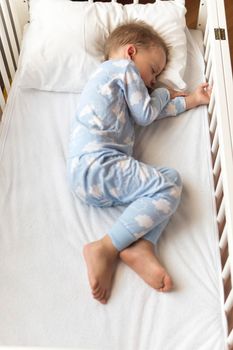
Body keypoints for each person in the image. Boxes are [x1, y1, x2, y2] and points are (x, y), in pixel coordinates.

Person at [67, 21, 211, 304]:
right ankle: (106, 248)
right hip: (99, 163)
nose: (153, 80)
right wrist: (164, 92)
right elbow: (147, 113)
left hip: (89, 177)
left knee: (171, 178)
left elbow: (146, 113)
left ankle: (142, 245)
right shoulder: (123, 69)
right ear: (131, 52)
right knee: (167, 189)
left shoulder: (113, 86)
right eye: (154, 70)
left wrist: (191, 100)